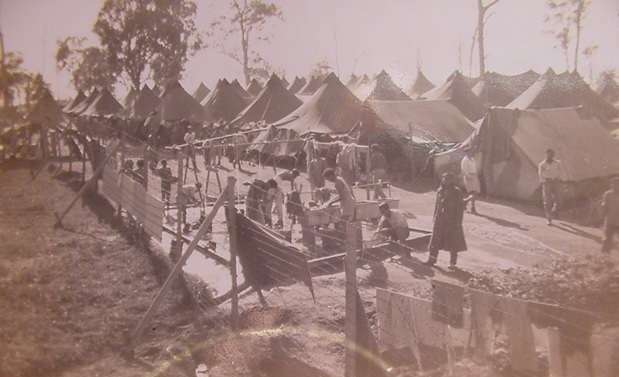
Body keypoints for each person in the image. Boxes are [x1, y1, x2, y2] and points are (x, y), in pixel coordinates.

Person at [425, 172, 467, 269]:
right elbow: (437, 206)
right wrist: (435, 217)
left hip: (452, 221)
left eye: (447, 179)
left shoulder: (457, 192)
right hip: (439, 220)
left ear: (452, 180)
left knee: (453, 242)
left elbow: (460, 209)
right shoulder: (440, 191)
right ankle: (432, 259)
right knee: (435, 240)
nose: (445, 180)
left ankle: (452, 263)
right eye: (444, 178)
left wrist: (458, 222)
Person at [538, 148, 563, 225]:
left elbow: (560, 171)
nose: (550, 156)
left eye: (552, 154)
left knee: (558, 200)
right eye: (548, 154)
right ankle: (549, 218)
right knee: (547, 201)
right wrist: (544, 182)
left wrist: (559, 179)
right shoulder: (542, 164)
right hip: (547, 182)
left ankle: (554, 211)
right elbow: (540, 174)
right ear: (546, 154)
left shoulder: (557, 163)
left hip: (556, 182)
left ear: (553, 155)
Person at [601, 177, 619, 253]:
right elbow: (604, 206)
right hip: (610, 220)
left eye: (617, 184)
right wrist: (602, 215)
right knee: (607, 239)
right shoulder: (608, 194)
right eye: (614, 184)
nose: (615, 186)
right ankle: (604, 257)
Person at [461, 148, 481, 214]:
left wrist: (476, 175)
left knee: (476, 192)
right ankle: (472, 207)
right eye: (469, 152)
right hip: (469, 176)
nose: (471, 153)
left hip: (474, 176)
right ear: (466, 152)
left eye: (471, 152)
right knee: (472, 192)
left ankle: (465, 202)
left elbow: (475, 168)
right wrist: (469, 177)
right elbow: (464, 170)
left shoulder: (472, 159)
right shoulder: (465, 160)